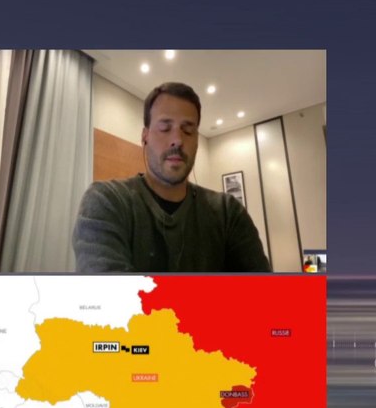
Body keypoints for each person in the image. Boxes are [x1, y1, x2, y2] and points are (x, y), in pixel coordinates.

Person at [73, 82, 270, 273]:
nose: (177, 140)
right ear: (145, 136)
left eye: (188, 130)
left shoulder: (227, 212)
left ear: (196, 142)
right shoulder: (107, 201)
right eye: (165, 128)